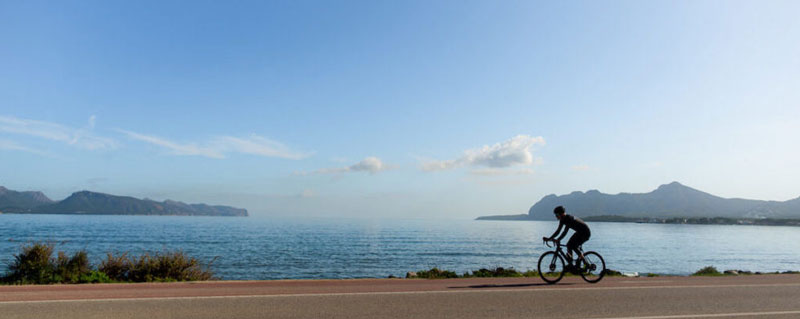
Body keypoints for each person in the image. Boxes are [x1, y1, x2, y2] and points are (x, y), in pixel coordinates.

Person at [543, 206, 591, 272]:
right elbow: (558, 231)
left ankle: (585, 264)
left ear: (561, 214)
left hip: (585, 232)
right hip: (580, 232)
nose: (556, 216)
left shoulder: (568, 218)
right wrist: (549, 238)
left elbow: (565, 232)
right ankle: (571, 264)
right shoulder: (562, 220)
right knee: (569, 245)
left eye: (557, 215)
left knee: (572, 246)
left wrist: (558, 239)